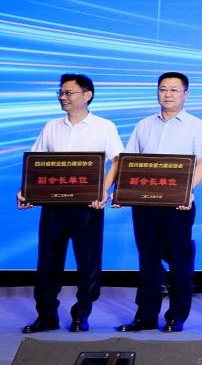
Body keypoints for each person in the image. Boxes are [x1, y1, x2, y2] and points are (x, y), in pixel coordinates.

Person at [18, 73, 123, 333]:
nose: (63, 97)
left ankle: (81, 315)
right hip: (53, 206)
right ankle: (46, 316)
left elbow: (117, 161)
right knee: (47, 262)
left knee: (88, 263)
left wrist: (103, 190)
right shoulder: (51, 126)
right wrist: (26, 192)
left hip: (87, 206)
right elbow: (36, 163)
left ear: (87, 95)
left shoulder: (104, 126)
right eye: (61, 93)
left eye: (69, 93)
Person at [115, 72, 202, 334]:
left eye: (174, 89)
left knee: (179, 260)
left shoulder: (196, 125)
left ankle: (176, 316)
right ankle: (145, 316)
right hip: (145, 204)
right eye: (163, 89)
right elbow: (129, 161)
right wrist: (122, 193)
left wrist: (188, 191)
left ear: (185, 95)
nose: (167, 94)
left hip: (178, 204)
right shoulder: (144, 125)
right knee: (148, 260)